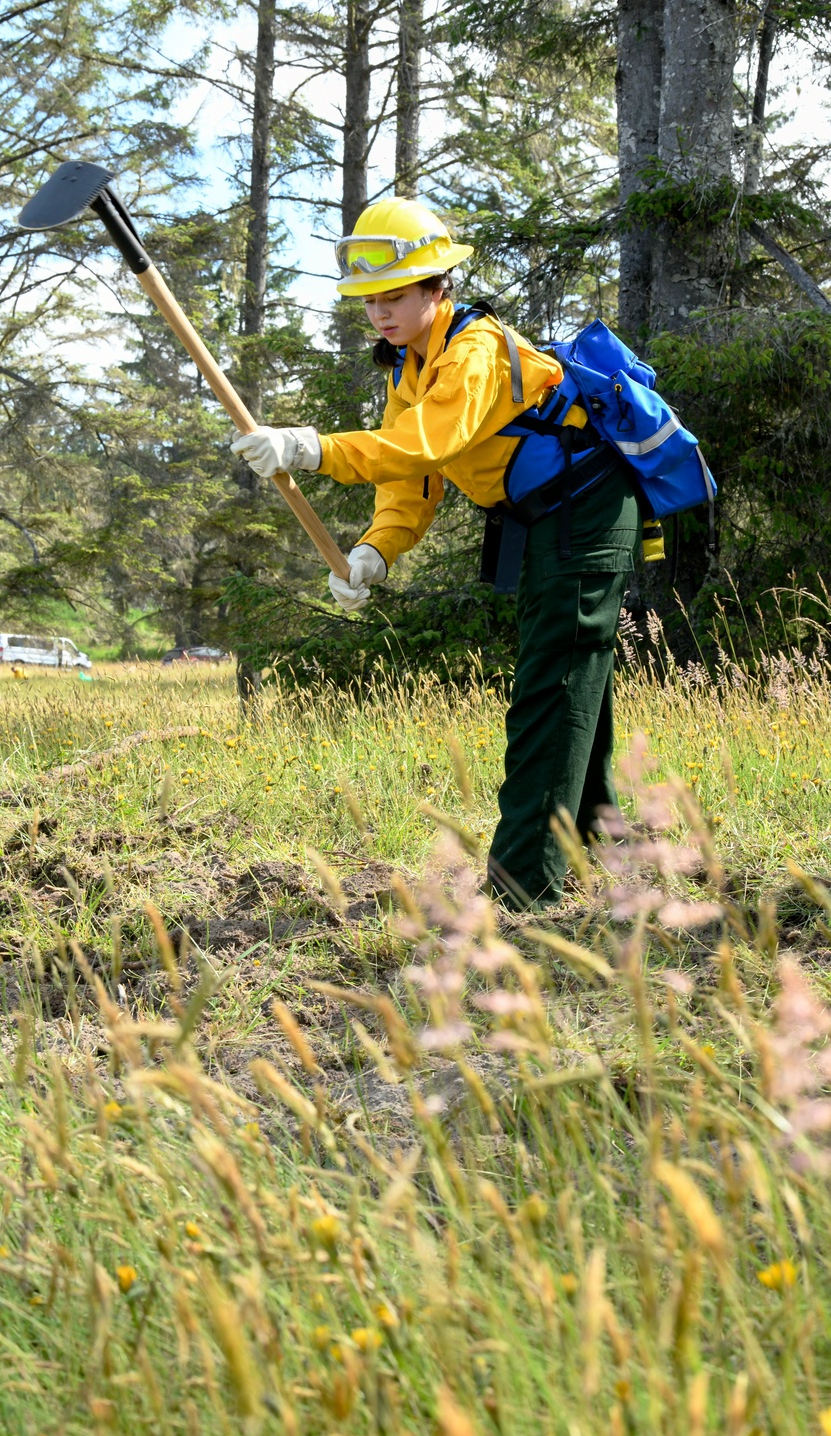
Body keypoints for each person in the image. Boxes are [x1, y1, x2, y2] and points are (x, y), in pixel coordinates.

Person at [230, 199, 641, 910]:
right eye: (370, 301)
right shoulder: (409, 368)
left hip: (587, 506)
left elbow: (428, 442)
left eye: (395, 296)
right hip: (542, 515)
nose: (380, 314)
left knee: (552, 685)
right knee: (577, 681)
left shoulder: (475, 352)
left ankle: (524, 890)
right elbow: (409, 481)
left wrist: (312, 447)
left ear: (437, 286)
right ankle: (601, 853)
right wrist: (374, 552)